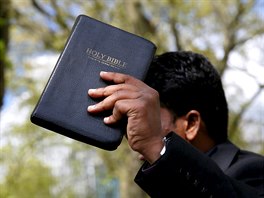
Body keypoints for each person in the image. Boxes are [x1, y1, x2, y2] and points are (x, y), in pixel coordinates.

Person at [87, 51, 264, 197]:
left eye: (151, 117)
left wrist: (155, 145)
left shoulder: (254, 171)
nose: (136, 129)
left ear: (191, 124)